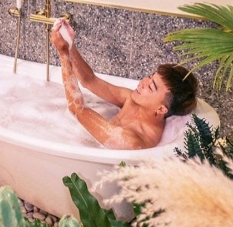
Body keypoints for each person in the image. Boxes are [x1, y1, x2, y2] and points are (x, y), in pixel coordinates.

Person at [51, 19, 198, 150]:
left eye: (151, 86)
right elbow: (89, 80)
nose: (143, 82)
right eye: (149, 77)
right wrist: (70, 46)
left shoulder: (134, 142)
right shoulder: (133, 100)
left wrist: (63, 54)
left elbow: (76, 109)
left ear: (161, 109)